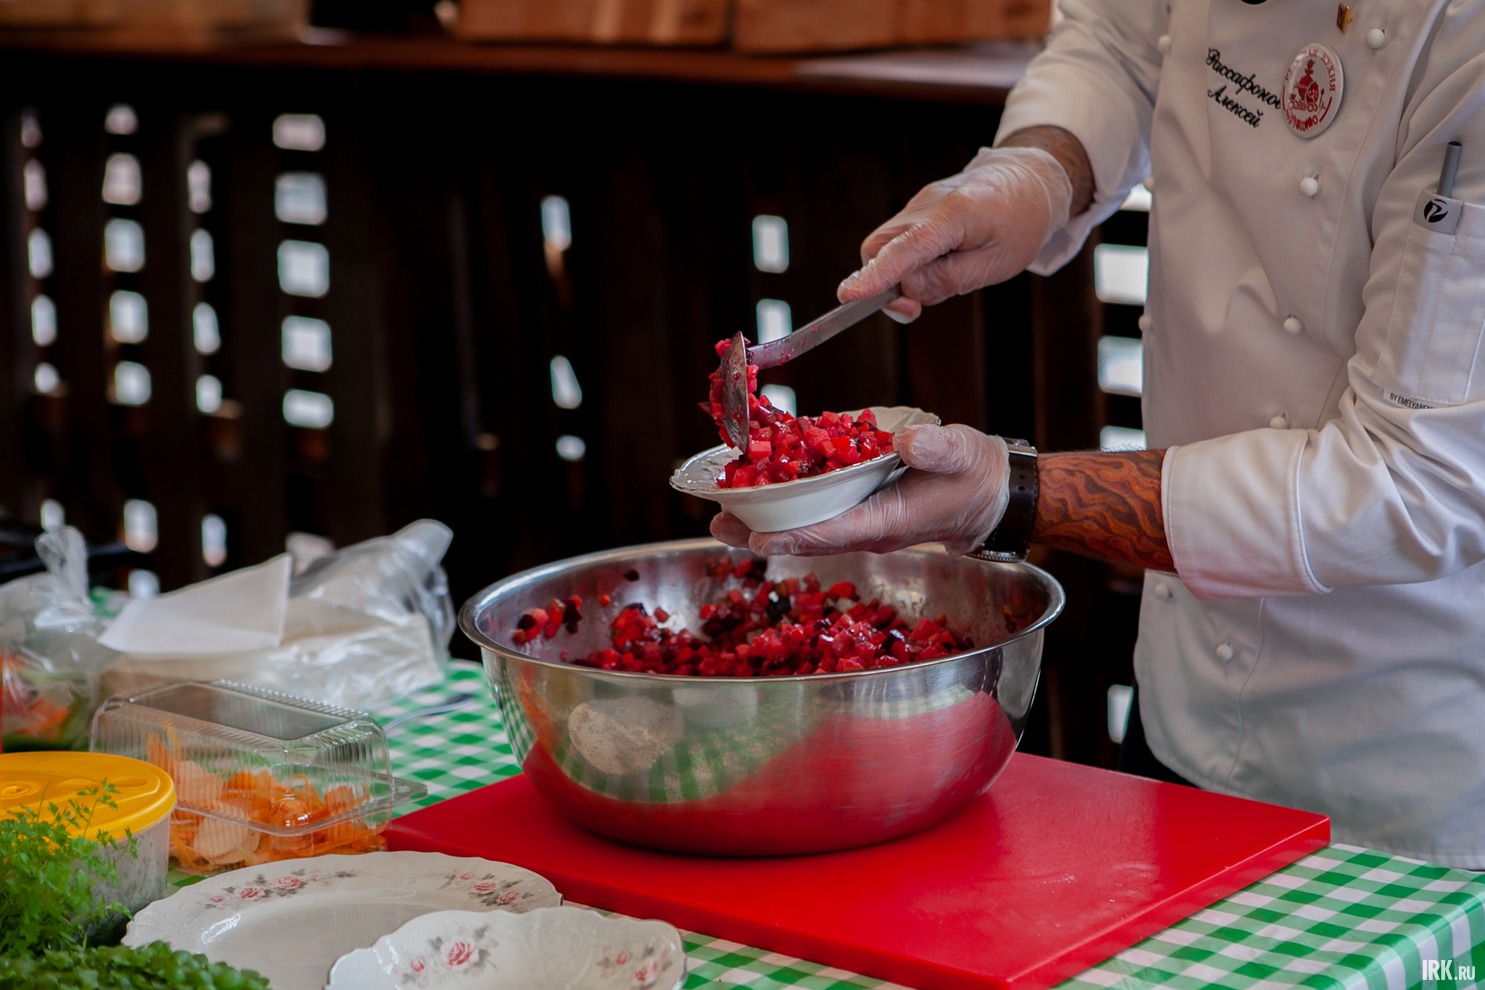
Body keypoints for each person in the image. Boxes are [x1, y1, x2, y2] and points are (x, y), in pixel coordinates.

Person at [710, 0, 1485, 869]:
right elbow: (1117, 39)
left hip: (1409, 782)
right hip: (1184, 706)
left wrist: (1008, 493)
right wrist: (1032, 172)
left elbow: (1412, 480)